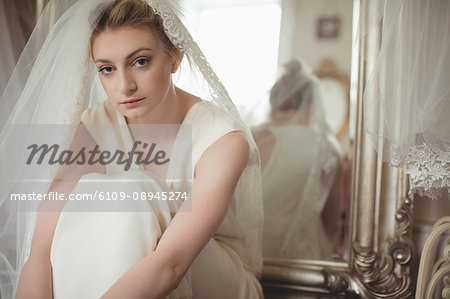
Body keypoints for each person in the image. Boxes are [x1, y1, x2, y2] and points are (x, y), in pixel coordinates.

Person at [0, 0, 263, 298]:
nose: (124, 86)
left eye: (140, 62)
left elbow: (172, 265)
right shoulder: (87, 132)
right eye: (107, 69)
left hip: (211, 278)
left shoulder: (223, 139)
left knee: (134, 191)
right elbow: (40, 255)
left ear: (174, 57)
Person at [253, 60, 344, 259]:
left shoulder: (247, 137)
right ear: (311, 106)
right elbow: (332, 218)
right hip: (296, 258)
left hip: (246, 252)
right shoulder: (326, 147)